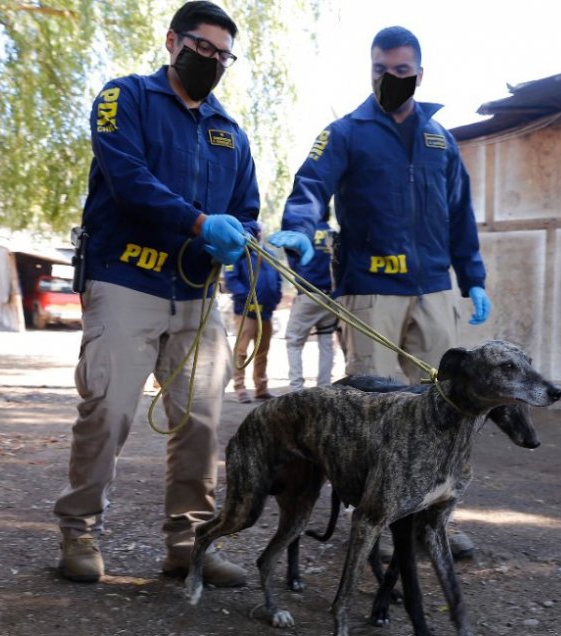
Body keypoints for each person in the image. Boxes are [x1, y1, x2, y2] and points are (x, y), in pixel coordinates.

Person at [53, 1, 256, 587]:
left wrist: (242, 238)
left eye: (223, 56)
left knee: (199, 421)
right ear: (173, 42)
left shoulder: (230, 132)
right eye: (202, 49)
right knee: (110, 410)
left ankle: (189, 542)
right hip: (126, 279)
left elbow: (246, 210)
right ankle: (79, 529)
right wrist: (199, 224)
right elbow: (129, 181)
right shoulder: (126, 98)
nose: (212, 62)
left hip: (196, 294)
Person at [269, 25, 491, 559]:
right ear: (369, 70)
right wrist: (300, 226)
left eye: (399, 72)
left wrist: (474, 276)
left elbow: (459, 212)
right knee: (374, 413)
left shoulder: (441, 138)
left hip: (435, 288)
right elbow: (311, 186)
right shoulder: (346, 132)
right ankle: (374, 528)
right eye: (378, 70)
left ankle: (431, 522)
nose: (388, 79)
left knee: (442, 410)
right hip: (371, 289)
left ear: (418, 72)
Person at [224, 220, 282, 403]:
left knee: (263, 351)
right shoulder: (238, 255)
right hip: (246, 312)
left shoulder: (270, 255)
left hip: (267, 313)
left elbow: (278, 280)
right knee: (241, 352)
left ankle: (261, 388)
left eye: (257, 231)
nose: (256, 234)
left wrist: (275, 299)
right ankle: (240, 388)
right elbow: (231, 280)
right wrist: (247, 297)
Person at [285, 219, 337, 390]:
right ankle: (324, 388)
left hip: (308, 294)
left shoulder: (302, 234)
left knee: (294, 341)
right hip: (331, 296)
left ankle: (296, 389)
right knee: (326, 340)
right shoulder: (334, 235)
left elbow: (293, 263)